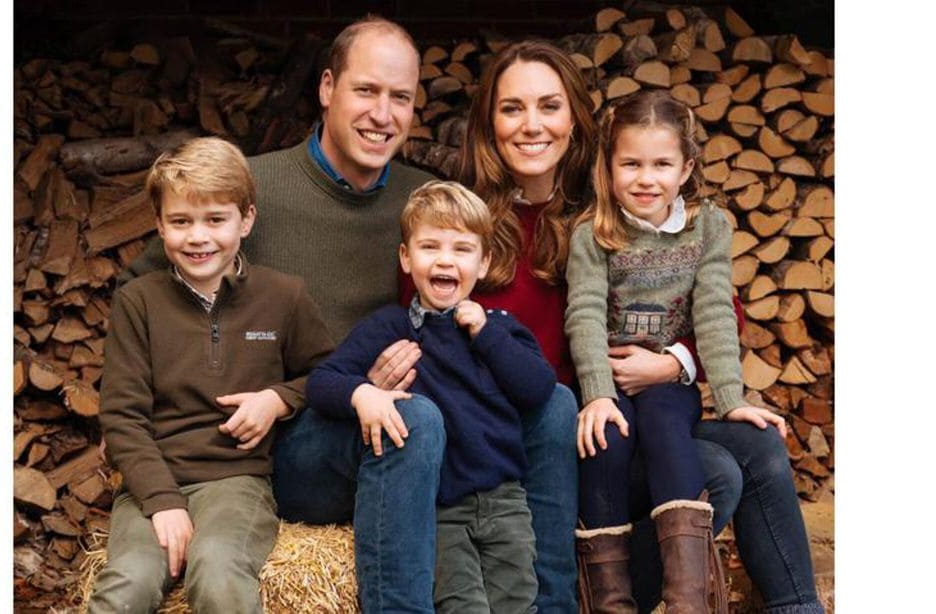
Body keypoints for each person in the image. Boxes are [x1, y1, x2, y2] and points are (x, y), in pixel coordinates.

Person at [119, 17, 578, 614]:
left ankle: (553, 604)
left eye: (400, 98)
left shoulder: (424, 199)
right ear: (328, 87)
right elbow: (146, 293)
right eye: (366, 91)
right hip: (295, 442)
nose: (382, 115)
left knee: (553, 406)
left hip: (406, 425)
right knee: (415, 421)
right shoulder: (252, 190)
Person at [457, 41, 822, 614]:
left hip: (644, 397)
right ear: (488, 121)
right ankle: (630, 600)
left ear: (575, 120)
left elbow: (721, 308)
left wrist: (674, 361)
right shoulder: (467, 224)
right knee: (718, 473)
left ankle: (798, 608)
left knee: (758, 445)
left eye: (549, 106)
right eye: (512, 108)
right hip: (562, 429)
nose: (532, 125)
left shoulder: (615, 201)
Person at [564, 90, 820, 614]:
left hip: (669, 384)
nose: (645, 178)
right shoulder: (594, 234)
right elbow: (584, 313)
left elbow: (715, 314)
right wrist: (596, 394)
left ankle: (688, 600)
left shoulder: (708, 227)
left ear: (686, 169)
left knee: (664, 424)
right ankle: (608, 601)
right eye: (630, 164)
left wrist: (730, 399)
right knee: (605, 440)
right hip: (609, 384)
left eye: (662, 164)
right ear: (608, 167)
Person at [91, 137, 334, 613]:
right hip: (152, 481)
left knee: (218, 570)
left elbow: (325, 373)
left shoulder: (283, 296)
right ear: (160, 226)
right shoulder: (138, 302)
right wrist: (163, 502)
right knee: (126, 585)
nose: (198, 237)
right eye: (181, 221)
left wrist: (278, 399)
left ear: (246, 220)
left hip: (237, 481)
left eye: (215, 220)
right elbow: (121, 416)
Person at [309, 180, 555, 613]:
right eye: (430, 247)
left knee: (518, 602)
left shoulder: (500, 328)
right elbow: (323, 381)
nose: (445, 260)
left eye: (462, 249)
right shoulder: (390, 327)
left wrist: (484, 333)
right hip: (442, 507)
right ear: (407, 258)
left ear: (484, 263)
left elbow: (537, 389)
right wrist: (362, 393)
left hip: (505, 501)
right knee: (463, 605)